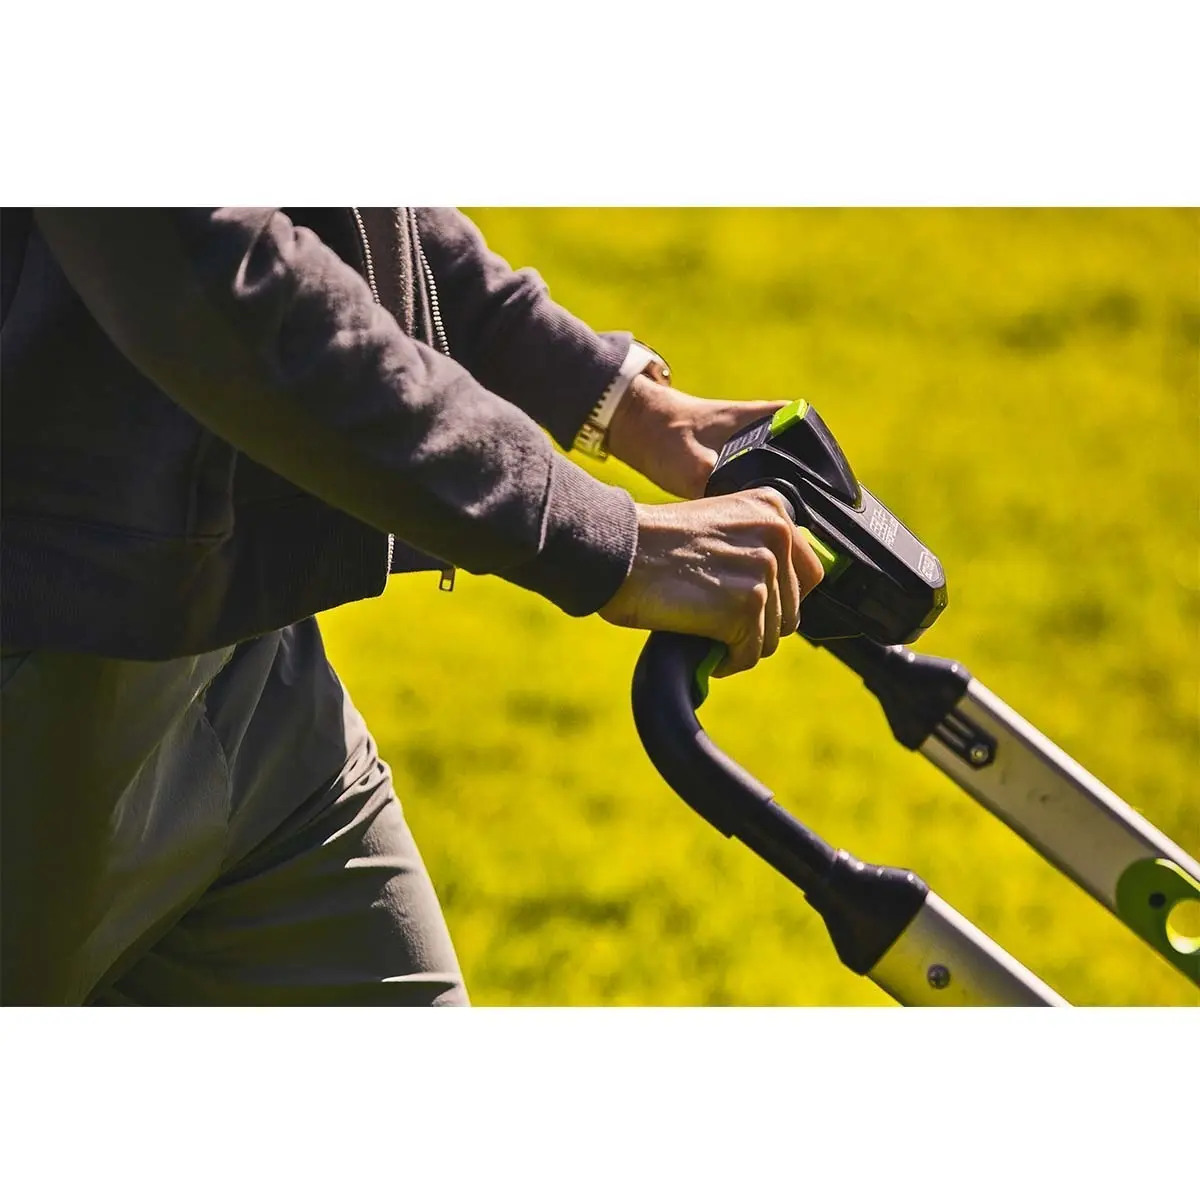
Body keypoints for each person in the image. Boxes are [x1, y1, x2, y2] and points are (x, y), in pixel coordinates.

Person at [0, 208, 824, 1005]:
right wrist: (609, 540)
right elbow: (208, 269)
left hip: (254, 683)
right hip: (39, 673)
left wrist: (621, 401)